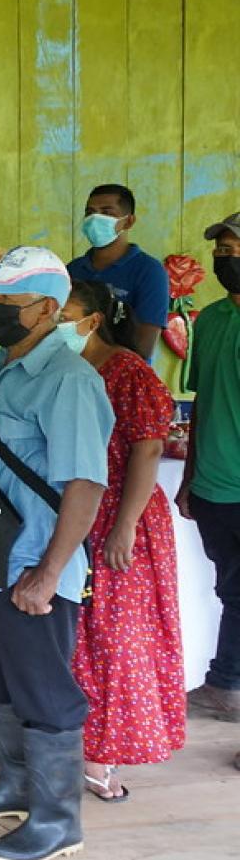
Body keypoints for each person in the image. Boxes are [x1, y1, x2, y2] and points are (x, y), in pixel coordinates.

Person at [0, 246, 112, 860]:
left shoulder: (68, 379)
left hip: (38, 561)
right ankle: (13, 788)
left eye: (6, 303)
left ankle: (58, 821)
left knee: (45, 690)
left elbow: (85, 484)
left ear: (46, 308)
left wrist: (49, 572)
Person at [60, 281, 184, 801]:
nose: (54, 324)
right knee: (78, 636)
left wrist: (125, 525)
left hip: (117, 514)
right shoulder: (61, 370)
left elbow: (147, 450)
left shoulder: (127, 370)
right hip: (74, 512)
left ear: (93, 319)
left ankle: (104, 755)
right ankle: (75, 744)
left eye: (64, 314)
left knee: (118, 636)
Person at [179, 212, 240, 723]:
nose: (227, 259)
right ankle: (226, 684)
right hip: (215, 485)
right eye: (222, 250)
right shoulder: (213, 319)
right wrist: (188, 478)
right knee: (231, 588)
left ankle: (226, 682)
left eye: (235, 249)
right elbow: (199, 402)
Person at [67, 183, 170, 359]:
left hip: (122, 378)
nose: (95, 219)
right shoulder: (72, 269)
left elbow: (144, 348)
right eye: (90, 212)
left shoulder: (149, 271)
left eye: (106, 213)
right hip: (74, 373)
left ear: (128, 221)